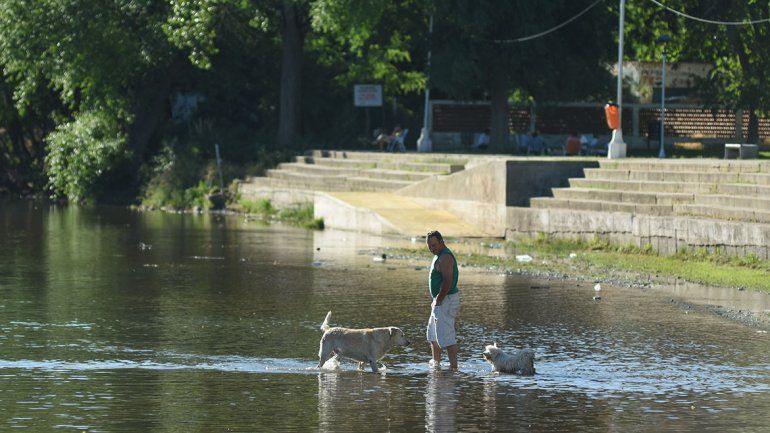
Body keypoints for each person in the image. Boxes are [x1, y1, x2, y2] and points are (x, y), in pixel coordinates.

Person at [425, 230, 460, 370]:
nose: (431, 249)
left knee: (447, 337)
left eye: (434, 245)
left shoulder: (445, 257)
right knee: (433, 335)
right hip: (439, 300)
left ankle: (454, 369)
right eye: (429, 246)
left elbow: (448, 282)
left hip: (446, 300)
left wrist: (439, 299)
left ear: (441, 242)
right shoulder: (438, 255)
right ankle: (436, 365)